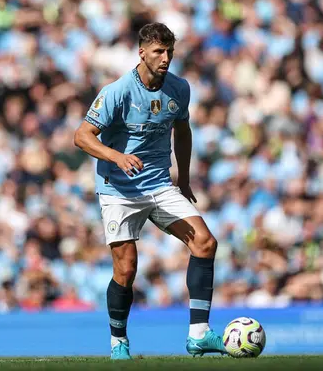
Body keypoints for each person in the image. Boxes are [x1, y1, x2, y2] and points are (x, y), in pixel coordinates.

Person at [73, 23, 226, 360]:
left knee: (205, 242)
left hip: (159, 184)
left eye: (169, 51)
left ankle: (199, 334)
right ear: (141, 52)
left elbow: (182, 131)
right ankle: (118, 342)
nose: (166, 58)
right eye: (158, 51)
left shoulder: (179, 89)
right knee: (126, 269)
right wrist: (117, 156)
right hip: (119, 190)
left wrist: (183, 178)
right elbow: (82, 136)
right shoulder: (118, 91)